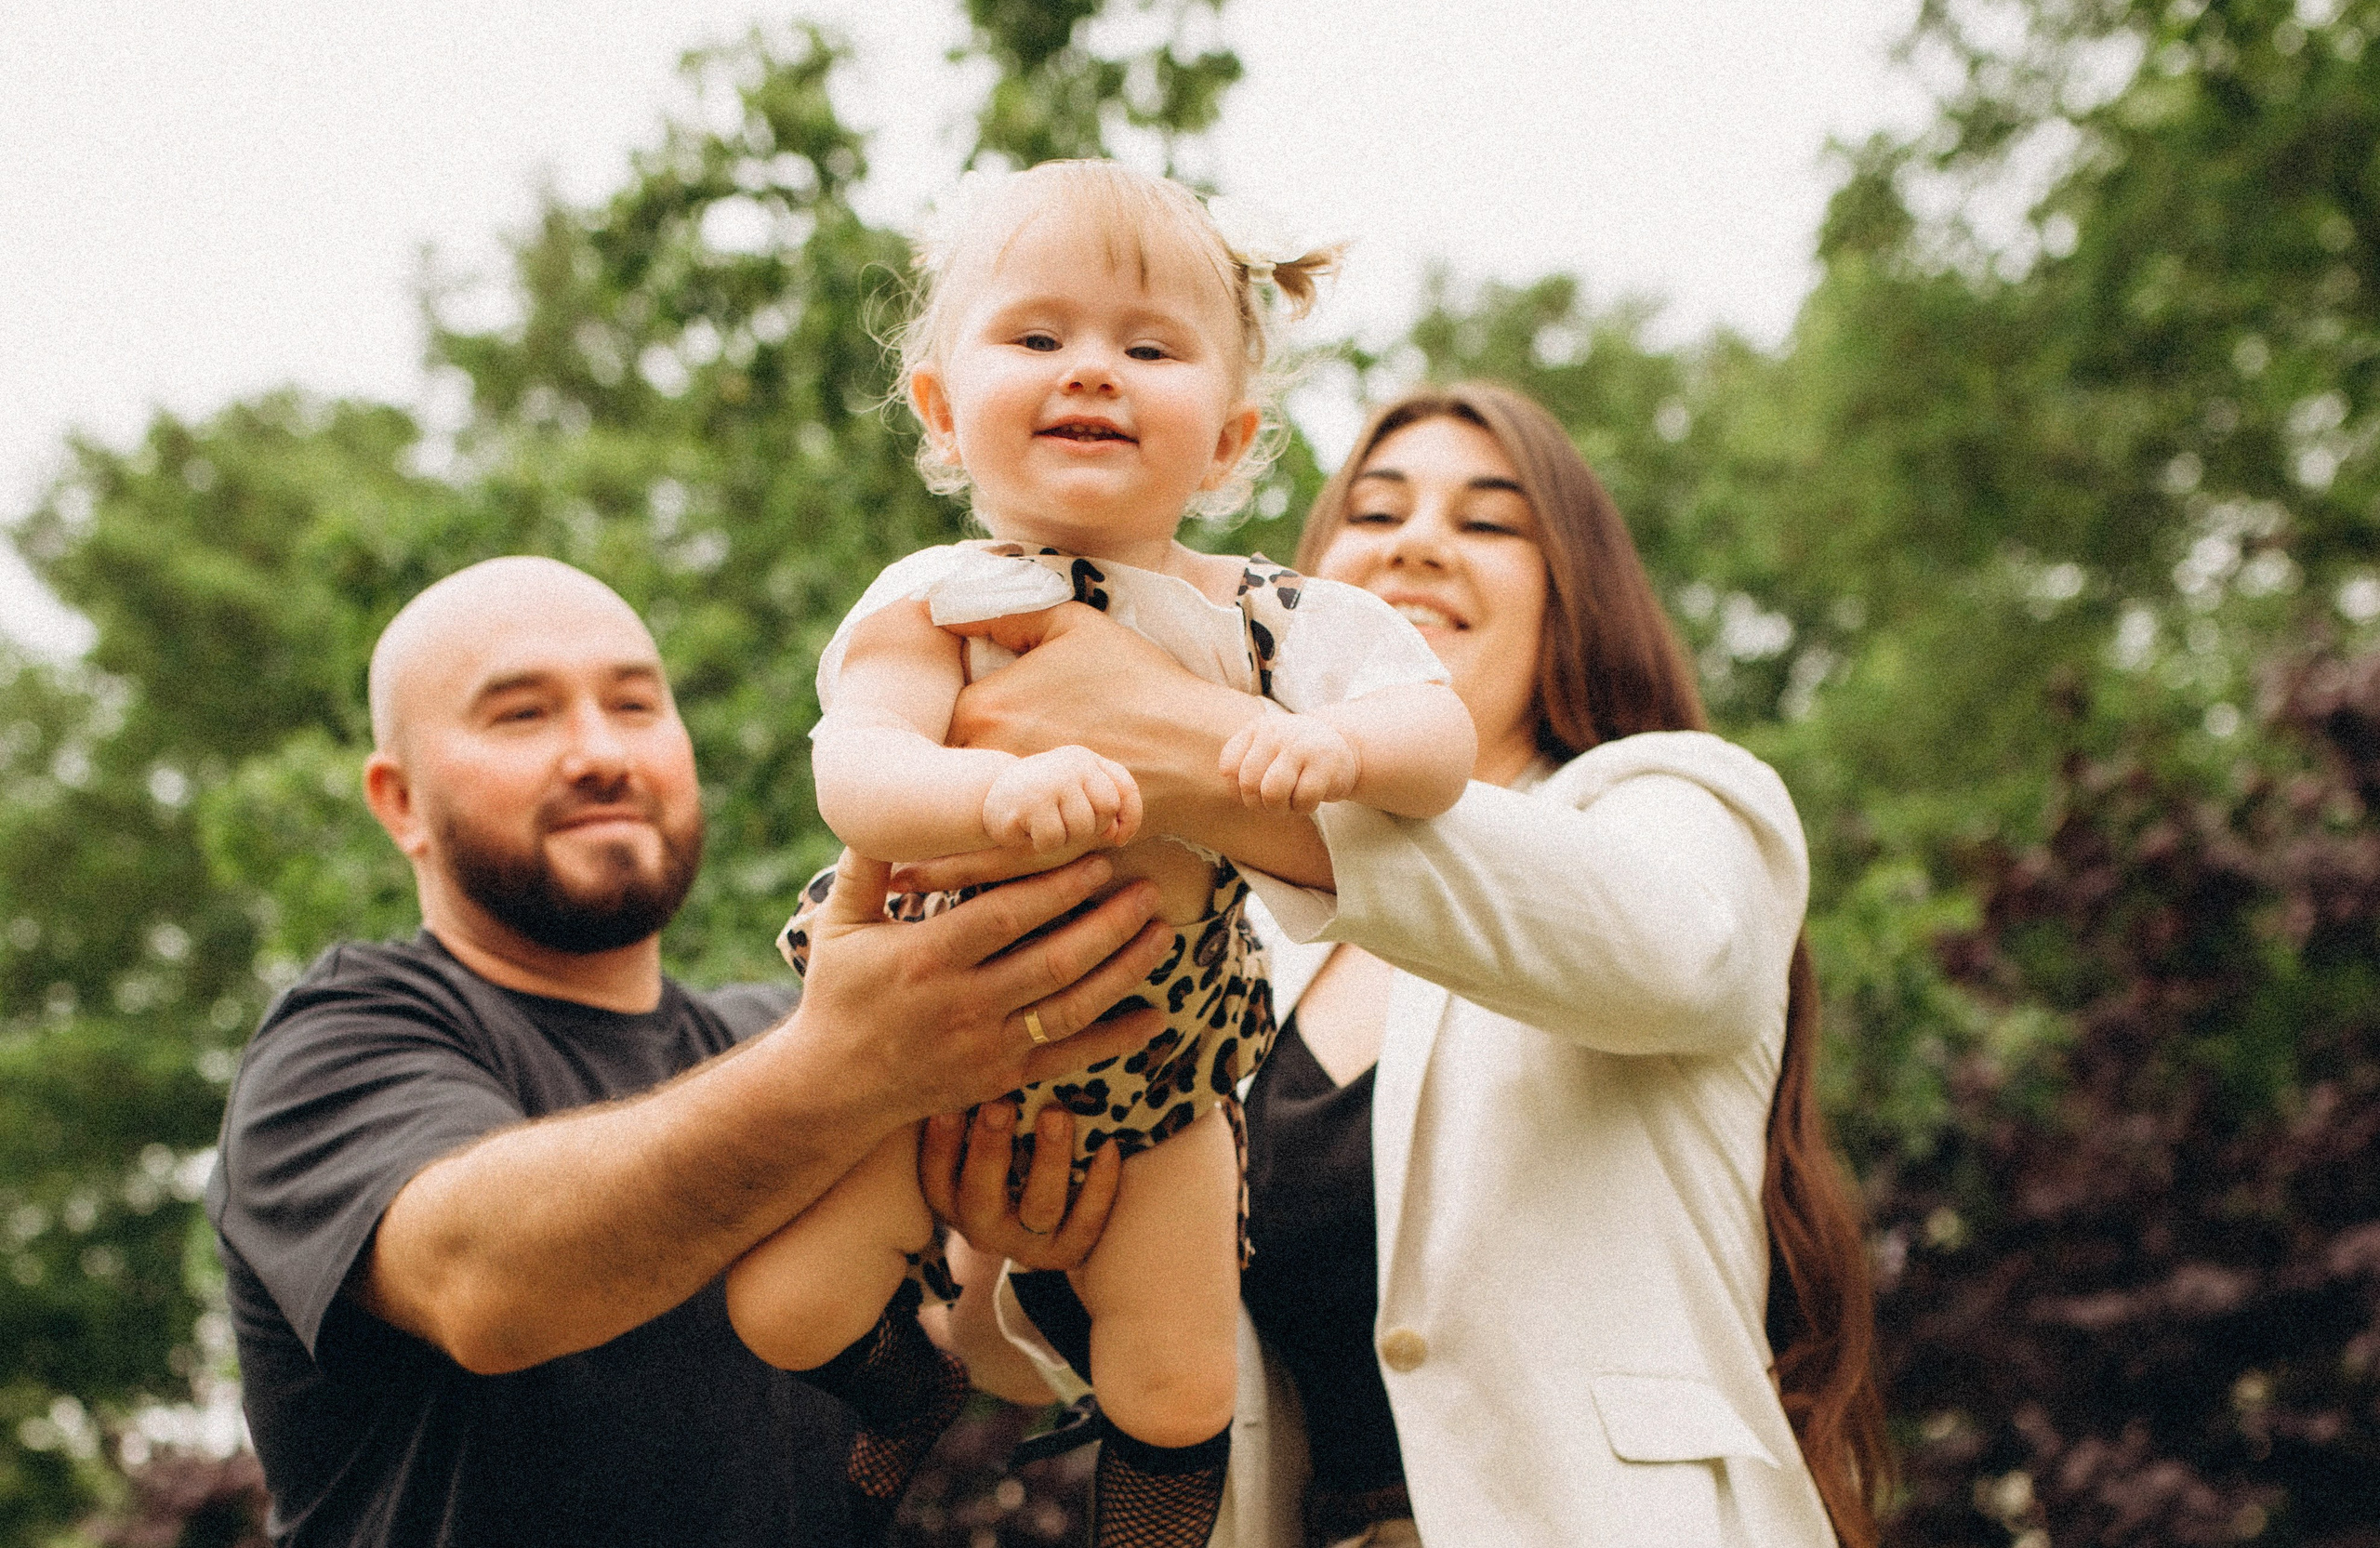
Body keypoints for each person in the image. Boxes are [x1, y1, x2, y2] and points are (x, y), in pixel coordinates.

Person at [911, 384, 1893, 1546]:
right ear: (1305, 592)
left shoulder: (1669, 804)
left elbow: (1681, 957)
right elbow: (1010, 1348)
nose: (1419, 541)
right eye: (1375, 513)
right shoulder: (1220, 926)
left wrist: (1178, 739)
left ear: (1574, 592)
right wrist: (1019, 1245)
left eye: (1488, 521)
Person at [729, 161, 1474, 1546]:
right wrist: (987, 793)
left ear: (1231, 437)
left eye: (1149, 346)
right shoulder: (939, 598)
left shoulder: (1271, 617)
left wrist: (1347, 752)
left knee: (1181, 1377)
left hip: (1163, 1057)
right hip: (930, 1045)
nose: (1093, 371)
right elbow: (858, 769)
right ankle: (908, 1393)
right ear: (943, 410)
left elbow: (1439, 729)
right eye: (1037, 336)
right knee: (785, 1301)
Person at [204, 556, 1178, 1548]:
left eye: (634, 704)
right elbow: (484, 1282)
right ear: (399, 800)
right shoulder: (336, 1039)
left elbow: (986, 1355)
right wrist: (849, 1066)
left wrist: (1031, 1236)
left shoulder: (792, 1027)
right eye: (521, 715)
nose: (598, 753)